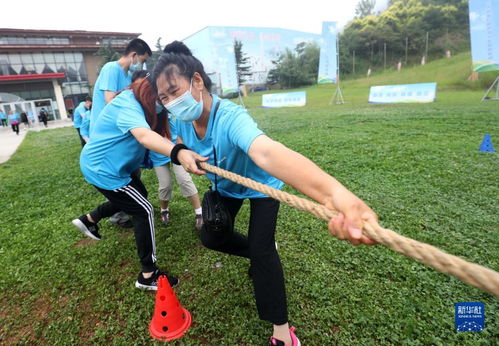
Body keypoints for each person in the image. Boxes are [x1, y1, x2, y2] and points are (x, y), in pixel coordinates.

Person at [153, 41, 378, 346]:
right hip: (227, 188)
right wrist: (184, 154)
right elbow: (179, 142)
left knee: (263, 253)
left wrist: (335, 195)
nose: (171, 103)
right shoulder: (182, 120)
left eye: (174, 91)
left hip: (262, 186)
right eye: (164, 98)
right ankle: (258, 253)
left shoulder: (231, 116)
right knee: (211, 237)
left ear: (196, 81)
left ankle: (282, 330)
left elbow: (267, 153)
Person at [72, 76, 205, 290]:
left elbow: (159, 136)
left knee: (136, 197)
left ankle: (89, 219)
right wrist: (179, 153)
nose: (166, 102)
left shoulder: (145, 107)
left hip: (115, 168)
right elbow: (144, 136)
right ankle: (148, 274)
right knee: (143, 209)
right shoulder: (128, 103)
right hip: (104, 170)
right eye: (162, 97)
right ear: (150, 93)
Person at [88, 38, 152, 228]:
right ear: (133, 55)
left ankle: (125, 211)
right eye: (142, 59)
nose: (141, 64)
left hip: (122, 132)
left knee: (132, 174)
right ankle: (119, 215)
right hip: (107, 134)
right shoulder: (111, 69)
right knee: (122, 178)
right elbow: (110, 100)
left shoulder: (129, 74)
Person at [132, 70, 203, 230]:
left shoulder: (165, 112)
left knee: (185, 180)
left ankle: (199, 212)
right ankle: (164, 209)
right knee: (165, 185)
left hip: (174, 152)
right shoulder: (139, 115)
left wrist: (181, 150)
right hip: (158, 156)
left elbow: (176, 135)